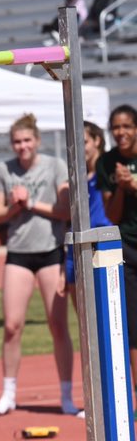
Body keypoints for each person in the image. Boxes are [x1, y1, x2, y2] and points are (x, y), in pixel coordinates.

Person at [0, 113, 77, 417]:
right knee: (12, 326)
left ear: (36, 141)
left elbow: (66, 211)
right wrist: (15, 206)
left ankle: (66, 395)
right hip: (19, 253)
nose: (22, 146)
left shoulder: (55, 166)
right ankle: (8, 393)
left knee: (57, 325)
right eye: (17, 141)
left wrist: (30, 203)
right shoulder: (4, 169)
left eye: (27, 140)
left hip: (51, 251)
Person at [96, 104, 137, 393]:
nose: (120, 132)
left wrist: (133, 183)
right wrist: (122, 186)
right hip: (128, 248)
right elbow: (111, 214)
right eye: (116, 127)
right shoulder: (107, 163)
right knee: (133, 326)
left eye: (126, 126)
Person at [60, 122, 114, 309]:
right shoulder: (75, 180)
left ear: (97, 140)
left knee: (106, 314)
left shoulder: (109, 170)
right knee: (83, 316)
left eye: (83, 142)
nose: (79, 149)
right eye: (75, 144)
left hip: (102, 246)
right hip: (76, 248)